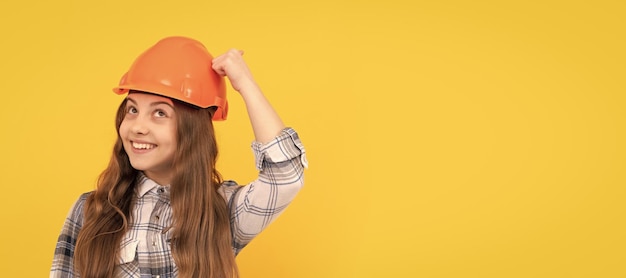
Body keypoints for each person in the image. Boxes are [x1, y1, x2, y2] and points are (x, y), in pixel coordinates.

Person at [50, 36, 307, 278]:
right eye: (132, 109)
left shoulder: (221, 210)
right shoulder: (91, 210)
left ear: (192, 129)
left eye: (160, 113)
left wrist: (246, 85)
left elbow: (285, 176)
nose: (138, 126)